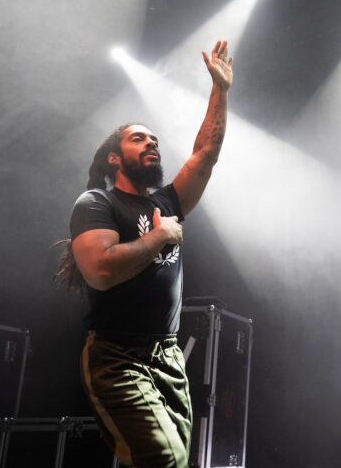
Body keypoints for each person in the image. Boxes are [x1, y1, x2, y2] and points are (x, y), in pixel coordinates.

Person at [59, 39, 233, 467]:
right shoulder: (97, 204)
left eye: (155, 139)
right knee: (163, 457)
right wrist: (160, 237)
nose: (152, 143)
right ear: (115, 158)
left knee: (172, 459)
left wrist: (221, 91)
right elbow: (100, 270)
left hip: (169, 355)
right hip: (117, 355)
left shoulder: (168, 202)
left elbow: (206, 155)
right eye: (140, 139)